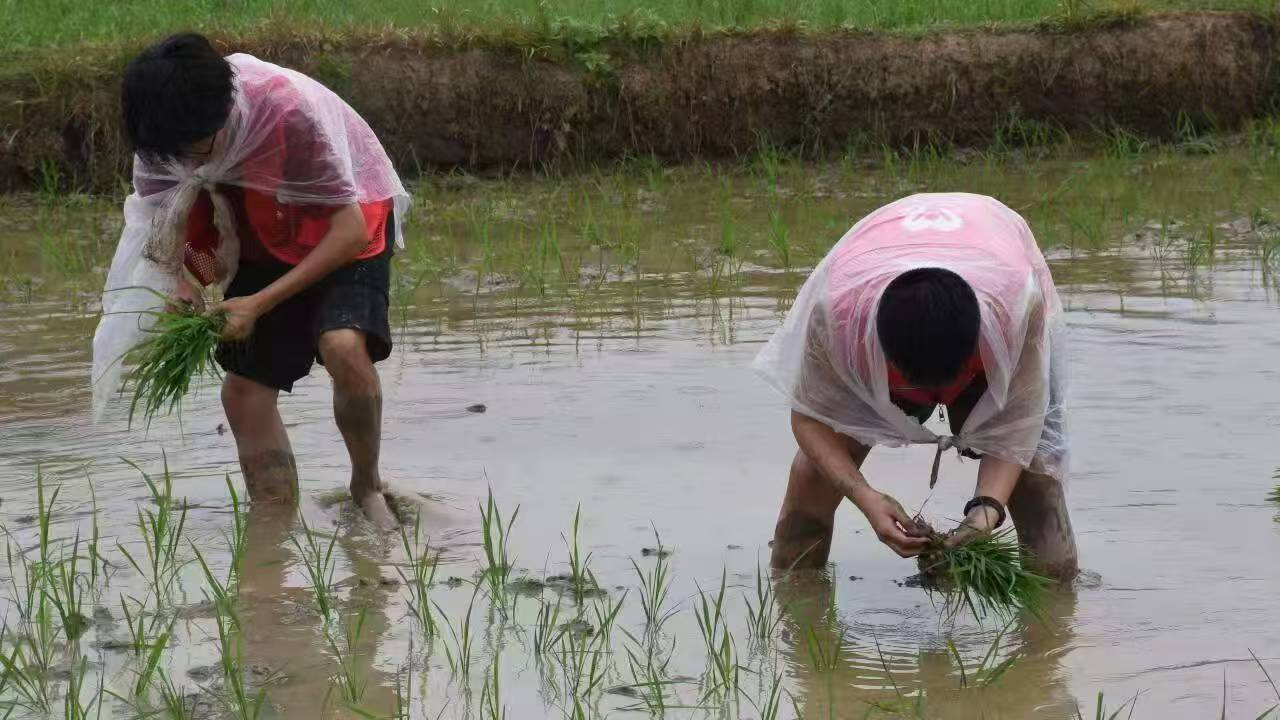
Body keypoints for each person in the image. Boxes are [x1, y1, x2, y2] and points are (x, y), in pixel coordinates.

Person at [91, 34, 410, 529]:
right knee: (242, 392)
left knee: (343, 346)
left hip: (343, 224)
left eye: (196, 149)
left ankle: (366, 486)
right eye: (175, 152)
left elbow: (348, 229)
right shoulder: (161, 145)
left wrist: (258, 303)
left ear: (221, 118)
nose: (188, 163)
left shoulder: (285, 114)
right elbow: (191, 243)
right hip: (259, 230)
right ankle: (272, 523)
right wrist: (190, 287)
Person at [754, 193, 1078, 580]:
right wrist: (866, 497)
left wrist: (986, 511)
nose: (940, 402)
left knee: (1035, 477)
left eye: (953, 382)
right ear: (885, 360)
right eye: (921, 388)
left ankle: (1054, 616)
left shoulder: (1017, 307)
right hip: (873, 260)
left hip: (995, 245)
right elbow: (809, 421)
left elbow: (1021, 421)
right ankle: (795, 601)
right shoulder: (838, 321)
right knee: (815, 474)